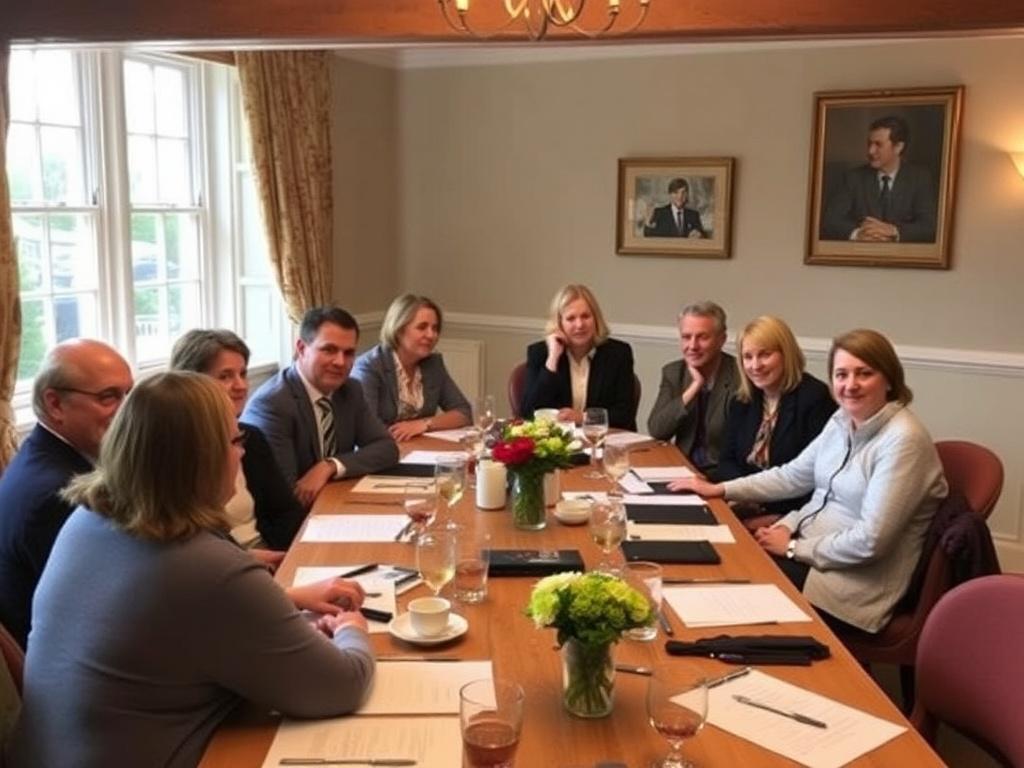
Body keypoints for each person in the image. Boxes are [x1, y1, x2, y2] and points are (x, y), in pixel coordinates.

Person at [5, 372, 374, 768]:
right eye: (236, 441)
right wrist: (351, 629)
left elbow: (165, 610)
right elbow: (342, 686)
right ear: (201, 457)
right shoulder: (205, 567)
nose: (242, 455)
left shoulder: (87, 520)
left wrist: (283, 601)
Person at [668, 329, 947, 634]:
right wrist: (720, 490)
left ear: (889, 379)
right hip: (810, 551)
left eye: (864, 373)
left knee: (729, 582)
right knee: (719, 562)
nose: (850, 385)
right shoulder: (842, 420)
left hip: (847, 583)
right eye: (841, 374)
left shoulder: (903, 441)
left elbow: (870, 541)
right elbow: (793, 476)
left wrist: (793, 548)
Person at [0, 339, 132, 649]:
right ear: (55, 404)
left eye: (130, 395)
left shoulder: (39, 455)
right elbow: (102, 612)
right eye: (109, 397)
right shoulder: (59, 495)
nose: (128, 411)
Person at [243, 306, 399, 507]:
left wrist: (329, 466)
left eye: (349, 353)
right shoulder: (273, 405)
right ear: (301, 349)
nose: (340, 362)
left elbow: (387, 448)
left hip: (334, 501)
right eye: (329, 350)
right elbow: (287, 496)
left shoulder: (350, 389)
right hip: (295, 517)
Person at [170, 329, 306, 550]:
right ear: (192, 385)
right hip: (219, 563)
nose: (241, 386)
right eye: (225, 376)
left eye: (242, 374)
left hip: (271, 554)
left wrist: (285, 557)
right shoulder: (175, 451)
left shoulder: (251, 437)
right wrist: (248, 558)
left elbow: (287, 511)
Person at [718, 316, 836, 522]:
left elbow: (818, 477)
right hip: (744, 506)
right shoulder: (743, 399)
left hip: (789, 515)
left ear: (786, 354)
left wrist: (778, 517)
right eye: (748, 357)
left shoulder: (814, 398)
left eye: (765, 354)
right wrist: (746, 496)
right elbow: (726, 460)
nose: (755, 365)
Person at [351, 294, 471, 442]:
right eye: (422, 327)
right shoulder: (369, 367)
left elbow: (464, 413)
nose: (431, 335)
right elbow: (366, 429)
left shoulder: (433, 364)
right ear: (399, 329)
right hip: (382, 450)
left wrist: (424, 424)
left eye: (435, 328)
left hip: (421, 449)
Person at [520, 284, 637, 430]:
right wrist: (552, 359)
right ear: (559, 323)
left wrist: (583, 417)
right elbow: (528, 414)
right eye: (571, 318)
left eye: (585, 316)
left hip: (604, 439)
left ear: (596, 319)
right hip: (558, 441)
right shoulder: (540, 353)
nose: (580, 324)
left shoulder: (618, 353)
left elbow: (625, 414)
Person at [647, 301, 737, 478]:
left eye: (702, 337)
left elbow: (738, 446)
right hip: (681, 469)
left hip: (721, 476)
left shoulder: (739, 376)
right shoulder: (674, 372)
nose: (693, 346)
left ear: (722, 340)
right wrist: (694, 387)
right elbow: (657, 430)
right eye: (686, 337)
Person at [820, 115, 938, 243]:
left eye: (878, 144)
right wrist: (858, 234)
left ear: (898, 147)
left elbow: (929, 226)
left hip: (904, 254)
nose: (871, 151)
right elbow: (830, 221)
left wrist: (893, 231)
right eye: (869, 144)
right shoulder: (853, 178)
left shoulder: (920, 178)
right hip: (862, 251)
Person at [642, 177, 707, 238]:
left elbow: (704, 236)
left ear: (687, 194)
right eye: (676, 192)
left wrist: (700, 235)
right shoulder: (659, 213)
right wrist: (647, 223)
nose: (680, 196)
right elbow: (649, 236)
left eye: (683, 192)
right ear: (670, 194)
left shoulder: (693, 215)